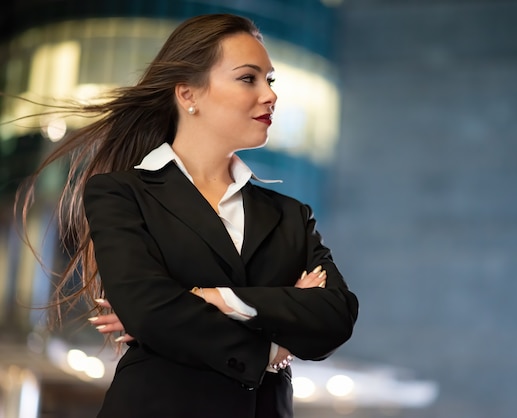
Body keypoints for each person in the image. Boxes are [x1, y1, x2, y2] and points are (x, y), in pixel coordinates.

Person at [17, 13, 358, 418]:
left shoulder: (289, 214)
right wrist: (272, 344)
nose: (270, 95)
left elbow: (335, 316)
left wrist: (214, 298)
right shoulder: (123, 193)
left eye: (270, 80)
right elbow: (150, 311)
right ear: (188, 94)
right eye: (248, 78)